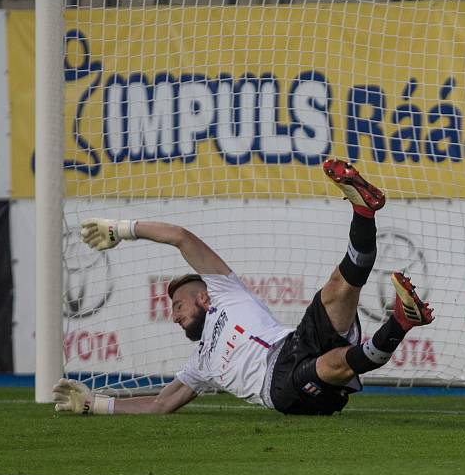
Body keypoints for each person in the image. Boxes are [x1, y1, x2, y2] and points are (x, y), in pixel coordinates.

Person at [52, 159, 434, 416]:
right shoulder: (201, 364)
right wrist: (95, 404)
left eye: (178, 306)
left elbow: (180, 237)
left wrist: (122, 229)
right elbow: (159, 404)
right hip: (281, 387)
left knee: (338, 288)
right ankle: (399, 325)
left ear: (203, 297)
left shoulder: (225, 291)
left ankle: (364, 211)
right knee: (333, 363)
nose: (174, 316)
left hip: (294, 342)